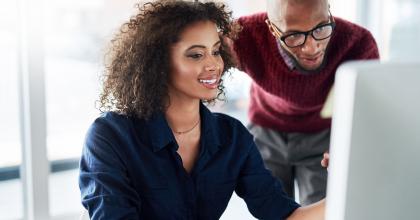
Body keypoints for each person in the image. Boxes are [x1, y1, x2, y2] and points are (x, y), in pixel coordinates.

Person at [78, 0, 326, 219]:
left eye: (216, 51)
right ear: (158, 64)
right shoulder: (110, 136)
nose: (213, 64)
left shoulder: (232, 137)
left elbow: (283, 214)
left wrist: (350, 180)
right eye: (196, 55)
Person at [226, 0, 379, 205]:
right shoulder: (244, 36)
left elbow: (369, 105)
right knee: (272, 208)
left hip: (322, 135)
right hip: (266, 131)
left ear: (329, 14)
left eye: (321, 28)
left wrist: (349, 144)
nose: (311, 47)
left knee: (321, 208)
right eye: (294, 35)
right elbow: (198, 60)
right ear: (272, 28)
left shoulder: (358, 43)